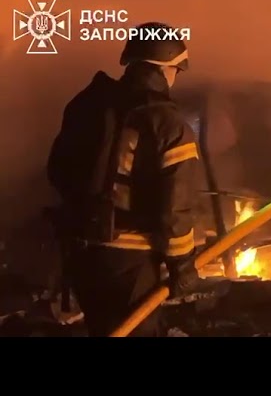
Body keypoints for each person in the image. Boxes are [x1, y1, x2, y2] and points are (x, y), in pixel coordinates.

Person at [47, 22, 200, 336]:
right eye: (176, 70)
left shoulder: (89, 106)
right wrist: (182, 266)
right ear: (165, 67)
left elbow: (57, 171)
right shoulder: (168, 123)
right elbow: (174, 208)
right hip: (130, 261)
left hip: (82, 253)